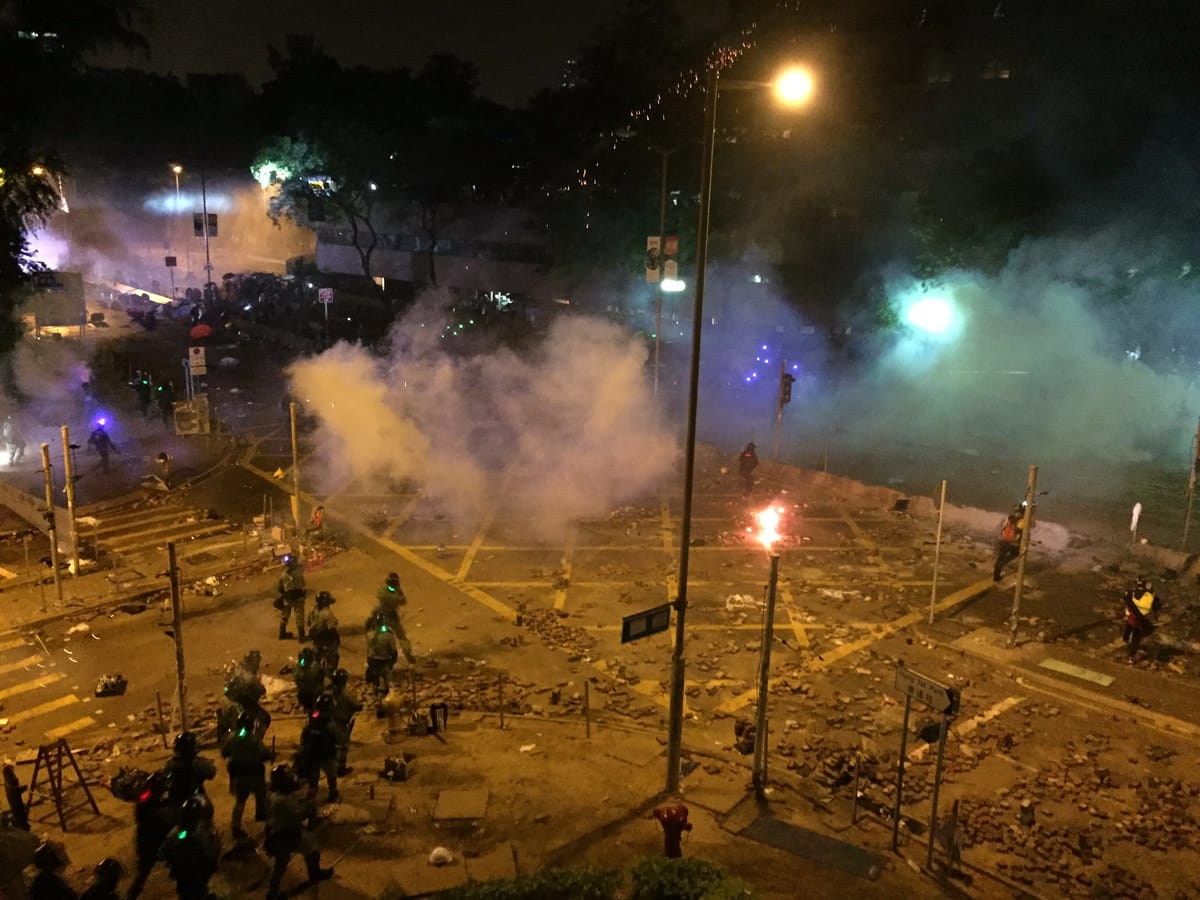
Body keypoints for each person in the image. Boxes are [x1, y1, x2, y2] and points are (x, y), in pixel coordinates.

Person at [263, 765, 334, 900]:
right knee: (282, 863)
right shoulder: (281, 801)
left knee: (310, 849)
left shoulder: (275, 794)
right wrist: (309, 805)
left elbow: (293, 797)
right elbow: (297, 816)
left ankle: (314, 873)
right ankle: (272, 893)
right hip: (283, 834)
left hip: (283, 830)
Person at [222, 711, 274, 840]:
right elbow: (264, 754)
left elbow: (225, 753)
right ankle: (270, 825)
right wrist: (271, 755)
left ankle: (236, 827)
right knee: (263, 798)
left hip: (238, 775)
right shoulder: (254, 738)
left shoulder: (231, 737)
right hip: (255, 773)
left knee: (240, 801)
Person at [159, 797, 219, 900]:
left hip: (182, 874)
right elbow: (211, 853)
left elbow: (163, 851)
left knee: (185, 892)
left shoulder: (175, 833)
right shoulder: (201, 834)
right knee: (197, 891)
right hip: (197, 874)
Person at [125, 772, 171, 899]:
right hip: (155, 840)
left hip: (145, 841)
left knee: (143, 872)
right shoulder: (154, 804)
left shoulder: (144, 800)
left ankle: (132, 895)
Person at [296, 694, 339, 803]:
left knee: (313, 777)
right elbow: (336, 737)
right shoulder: (330, 724)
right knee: (331, 774)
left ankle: (312, 797)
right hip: (326, 754)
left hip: (312, 754)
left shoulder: (314, 716)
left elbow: (307, 729)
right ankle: (333, 792)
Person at [161, 731, 217, 815]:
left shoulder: (170, 764)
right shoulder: (198, 762)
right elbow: (211, 773)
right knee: (207, 811)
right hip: (194, 795)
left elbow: (164, 778)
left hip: (176, 799)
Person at [327, 668, 362, 776]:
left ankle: (331, 766)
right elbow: (357, 706)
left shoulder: (328, 693)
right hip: (342, 724)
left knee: (332, 745)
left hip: (330, 722)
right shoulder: (347, 695)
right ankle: (340, 769)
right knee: (343, 747)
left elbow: (319, 709)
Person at [1122, 577, 1157, 661]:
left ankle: (1125, 640)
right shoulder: (1148, 596)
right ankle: (1131, 657)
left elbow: (1126, 599)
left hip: (1130, 616)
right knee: (1136, 638)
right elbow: (1152, 606)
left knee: (1128, 628)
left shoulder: (1131, 593)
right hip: (1140, 619)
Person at [307, 591, 340, 673]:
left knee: (317, 656)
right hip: (326, 639)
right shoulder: (328, 613)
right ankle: (330, 674)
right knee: (333, 657)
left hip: (315, 638)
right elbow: (331, 629)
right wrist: (337, 639)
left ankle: (316, 673)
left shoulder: (313, 610)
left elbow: (308, 622)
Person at [276, 555, 308, 640]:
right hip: (298, 597)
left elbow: (280, 588)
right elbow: (304, 584)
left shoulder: (282, 575)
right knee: (299, 616)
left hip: (287, 598)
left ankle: (282, 633)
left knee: (285, 615)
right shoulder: (298, 573)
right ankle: (301, 636)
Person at [992, 508, 1024, 582]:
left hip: (1004, 540)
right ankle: (1001, 566)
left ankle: (996, 574)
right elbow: (1021, 532)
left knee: (1001, 557)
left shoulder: (1009, 519)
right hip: (1012, 542)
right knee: (1014, 554)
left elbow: (1003, 528)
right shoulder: (1021, 521)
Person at [293, 647, 324, 713]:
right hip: (309, 694)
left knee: (316, 711)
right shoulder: (310, 666)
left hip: (312, 694)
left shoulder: (314, 666)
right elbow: (301, 669)